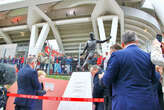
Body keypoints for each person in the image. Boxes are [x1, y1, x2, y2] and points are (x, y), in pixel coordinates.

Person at [101, 31, 161, 110]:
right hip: (147, 102)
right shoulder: (147, 56)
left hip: (124, 104)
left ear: (122, 44)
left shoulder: (117, 55)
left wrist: (102, 77)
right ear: (136, 42)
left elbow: (107, 80)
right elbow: (154, 79)